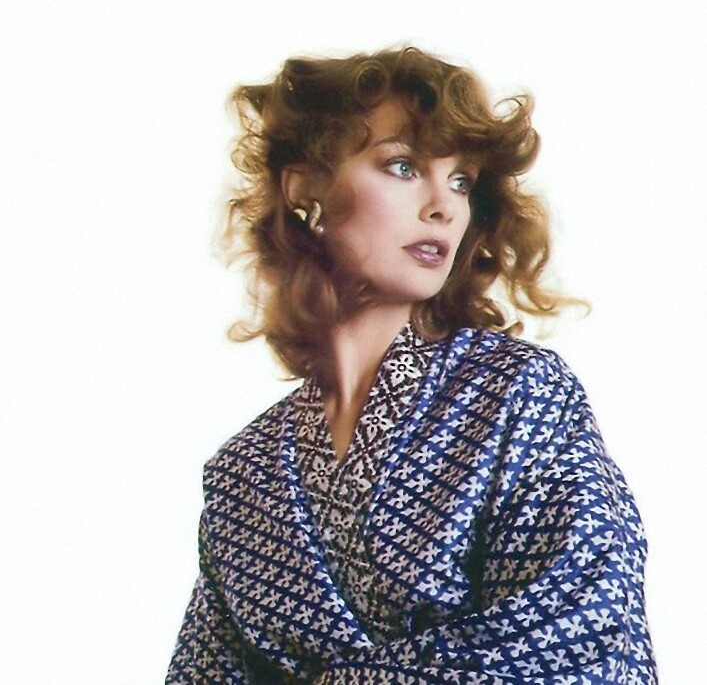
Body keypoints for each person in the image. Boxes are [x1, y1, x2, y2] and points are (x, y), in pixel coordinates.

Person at [166, 47, 656, 683]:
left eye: (462, 182)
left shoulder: (519, 393)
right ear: (305, 188)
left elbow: (585, 634)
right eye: (403, 167)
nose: (444, 206)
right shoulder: (243, 475)